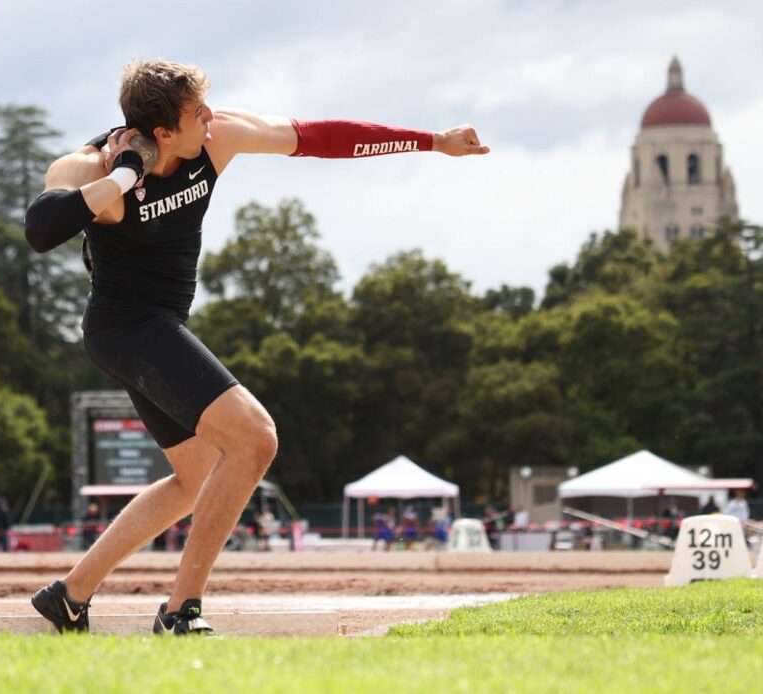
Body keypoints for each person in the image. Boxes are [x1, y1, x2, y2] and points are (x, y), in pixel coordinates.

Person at [26, 58, 486, 636]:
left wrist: (429, 141)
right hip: (126, 328)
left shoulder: (216, 141)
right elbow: (41, 228)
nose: (211, 119)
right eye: (197, 113)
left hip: (154, 326)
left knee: (195, 481)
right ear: (163, 130)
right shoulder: (92, 165)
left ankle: (69, 596)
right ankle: (180, 609)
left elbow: (316, 138)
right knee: (255, 439)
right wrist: (121, 177)